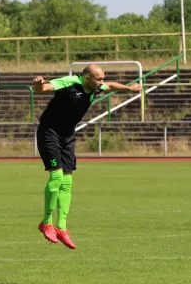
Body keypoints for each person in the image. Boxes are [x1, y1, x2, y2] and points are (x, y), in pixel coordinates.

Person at [32, 64, 141, 249]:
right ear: (87, 78)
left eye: (102, 79)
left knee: (67, 182)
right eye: (98, 79)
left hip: (67, 135)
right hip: (49, 132)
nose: (102, 83)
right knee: (56, 176)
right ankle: (46, 222)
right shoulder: (69, 82)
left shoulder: (96, 86)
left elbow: (111, 86)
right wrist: (38, 84)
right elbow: (44, 88)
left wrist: (129, 88)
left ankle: (62, 227)